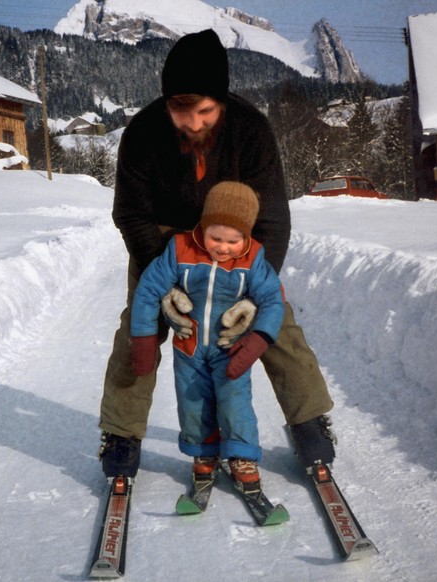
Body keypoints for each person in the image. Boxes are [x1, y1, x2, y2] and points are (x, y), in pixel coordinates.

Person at [99, 29, 335, 478]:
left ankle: (309, 422)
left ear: (221, 102)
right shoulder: (143, 133)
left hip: (235, 240)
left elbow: (272, 220)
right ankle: (120, 432)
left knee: (276, 321)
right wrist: (162, 280)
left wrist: (254, 290)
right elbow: (130, 213)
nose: (192, 124)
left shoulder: (251, 131)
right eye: (179, 111)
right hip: (166, 242)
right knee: (140, 325)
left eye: (204, 112)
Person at [130, 182, 285, 487]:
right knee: (193, 402)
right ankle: (203, 453)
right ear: (203, 226)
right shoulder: (180, 248)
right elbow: (148, 289)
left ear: (248, 236)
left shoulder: (253, 259)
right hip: (189, 345)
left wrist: (258, 339)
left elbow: (272, 299)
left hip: (230, 346)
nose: (223, 247)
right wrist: (144, 337)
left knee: (234, 399)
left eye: (233, 241)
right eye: (215, 237)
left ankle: (242, 453)